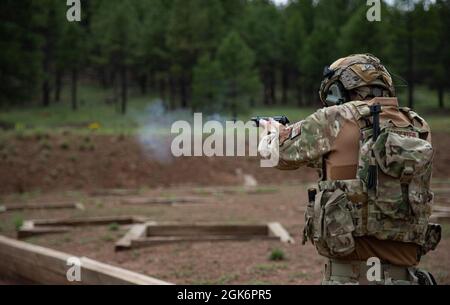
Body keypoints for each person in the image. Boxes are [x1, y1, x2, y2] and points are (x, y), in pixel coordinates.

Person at [258, 54, 441, 285]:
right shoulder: (418, 126)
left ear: (345, 87)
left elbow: (276, 156)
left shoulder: (337, 117)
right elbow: (364, 162)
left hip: (350, 277)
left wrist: (271, 132)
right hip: (406, 277)